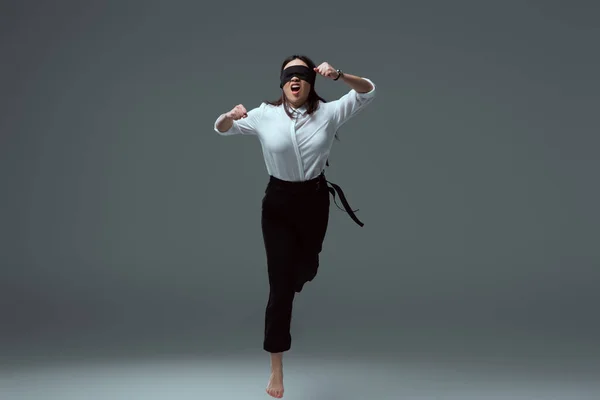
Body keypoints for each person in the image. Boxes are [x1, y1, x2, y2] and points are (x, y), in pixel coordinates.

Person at [213, 54, 376, 398]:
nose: (295, 80)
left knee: (306, 268)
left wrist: (341, 74)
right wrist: (230, 116)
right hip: (278, 203)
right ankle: (276, 368)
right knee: (280, 286)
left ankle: (298, 273)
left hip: (314, 201)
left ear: (312, 81)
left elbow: (368, 91)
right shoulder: (263, 115)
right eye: (289, 76)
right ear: (283, 83)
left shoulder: (329, 112)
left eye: (302, 74)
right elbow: (221, 129)